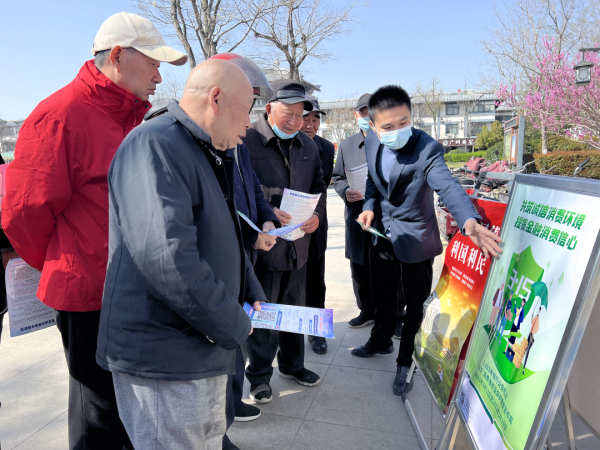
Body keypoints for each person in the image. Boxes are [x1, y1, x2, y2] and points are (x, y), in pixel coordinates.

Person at [1, 12, 186, 450]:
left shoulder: (133, 116)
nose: (159, 76)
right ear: (118, 57)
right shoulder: (60, 115)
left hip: (135, 286)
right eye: (153, 63)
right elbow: (24, 212)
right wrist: (67, 260)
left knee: (130, 408)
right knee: (97, 413)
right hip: (89, 291)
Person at [96, 59, 265, 449]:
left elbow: (221, 232)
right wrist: (234, 323)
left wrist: (250, 289)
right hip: (164, 356)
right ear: (216, 99)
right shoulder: (155, 145)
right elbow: (167, 259)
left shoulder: (203, 149)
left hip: (198, 345)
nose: (248, 124)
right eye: (246, 110)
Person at [356, 85, 502, 398]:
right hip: (382, 235)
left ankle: (405, 363)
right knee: (382, 296)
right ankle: (380, 341)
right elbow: (373, 181)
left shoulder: (426, 148)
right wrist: (368, 207)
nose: (397, 131)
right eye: (388, 127)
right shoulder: (371, 143)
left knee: (414, 305)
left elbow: (447, 186)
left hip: (416, 240)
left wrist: (468, 220)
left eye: (404, 122)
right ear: (373, 127)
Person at [208, 52, 280, 450]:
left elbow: (253, 190)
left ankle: (231, 407)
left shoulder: (238, 144)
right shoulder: (205, 144)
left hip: (245, 255)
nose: (249, 117)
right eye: (245, 101)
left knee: (239, 339)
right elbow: (216, 213)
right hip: (222, 262)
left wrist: (266, 221)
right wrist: (250, 237)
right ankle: (218, 425)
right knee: (223, 344)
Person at [242, 80, 327, 403]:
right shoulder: (247, 140)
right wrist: (268, 208)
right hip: (267, 246)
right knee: (265, 314)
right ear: (268, 108)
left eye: (300, 115)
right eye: (287, 114)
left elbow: (319, 185)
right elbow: (240, 191)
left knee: (294, 310)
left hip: (298, 245)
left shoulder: (308, 146)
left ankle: (293, 365)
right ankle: (259, 376)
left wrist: (317, 214)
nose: (295, 122)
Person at [332, 94, 406, 336]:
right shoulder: (346, 146)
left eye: (371, 111)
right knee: (359, 265)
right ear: (356, 115)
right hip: (357, 216)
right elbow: (337, 177)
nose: (367, 116)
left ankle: (397, 315)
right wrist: (345, 191)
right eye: (363, 112)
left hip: (385, 217)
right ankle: (367, 310)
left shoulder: (392, 141)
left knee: (390, 265)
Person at [299, 95, 335, 355]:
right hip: (286, 223)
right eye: (305, 118)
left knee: (316, 280)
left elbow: (322, 188)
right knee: (288, 284)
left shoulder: (326, 148)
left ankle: (317, 331)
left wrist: (317, 216)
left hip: (315, 223)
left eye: (315, 119)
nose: (310, 124)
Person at [522, 307, 541, 374]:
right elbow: (532, 322)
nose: (538, 311)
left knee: (528, 351)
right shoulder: (536, 317)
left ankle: (524, 367)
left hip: (531, 336)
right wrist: (532, 316)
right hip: (529, 334)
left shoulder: (538, 319)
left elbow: (537, 328)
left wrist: (533, 332)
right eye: (538, 310)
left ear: (540, 311)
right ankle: (521, 362)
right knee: (525, 348)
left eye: (539, 310)